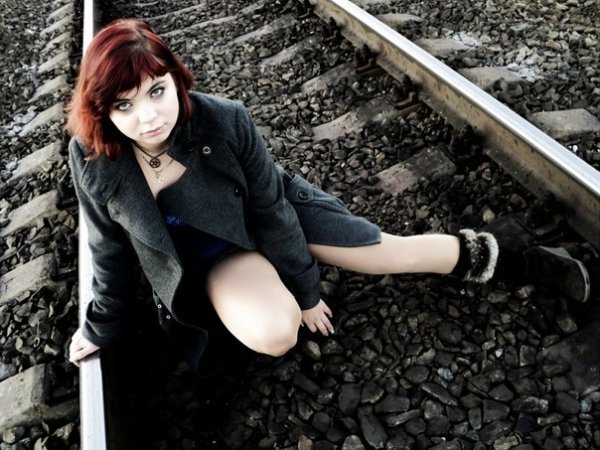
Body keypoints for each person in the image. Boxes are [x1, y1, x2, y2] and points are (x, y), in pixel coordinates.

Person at [66, 19, 590, 373]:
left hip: (266, 217)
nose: (149, 117)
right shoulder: (93, 159)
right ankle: (256, 290)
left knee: (389, 252)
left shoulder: (223, 121)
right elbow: (106, 248)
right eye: (124, 105)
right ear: (102, 110)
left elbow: (271, 210)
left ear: (176, 81)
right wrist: (102, 325)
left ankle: (522, 260)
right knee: (277, 333)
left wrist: (306, 290)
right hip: (212, 260)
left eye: (157, 92)